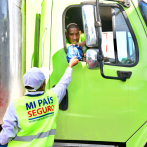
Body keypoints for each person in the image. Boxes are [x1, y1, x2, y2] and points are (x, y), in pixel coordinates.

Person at [0, 56, 79, 147]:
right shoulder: (53, 97)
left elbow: (5, 137)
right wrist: (70, 66)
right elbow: (63, 83)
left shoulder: (15, 105)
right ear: (42, 85)